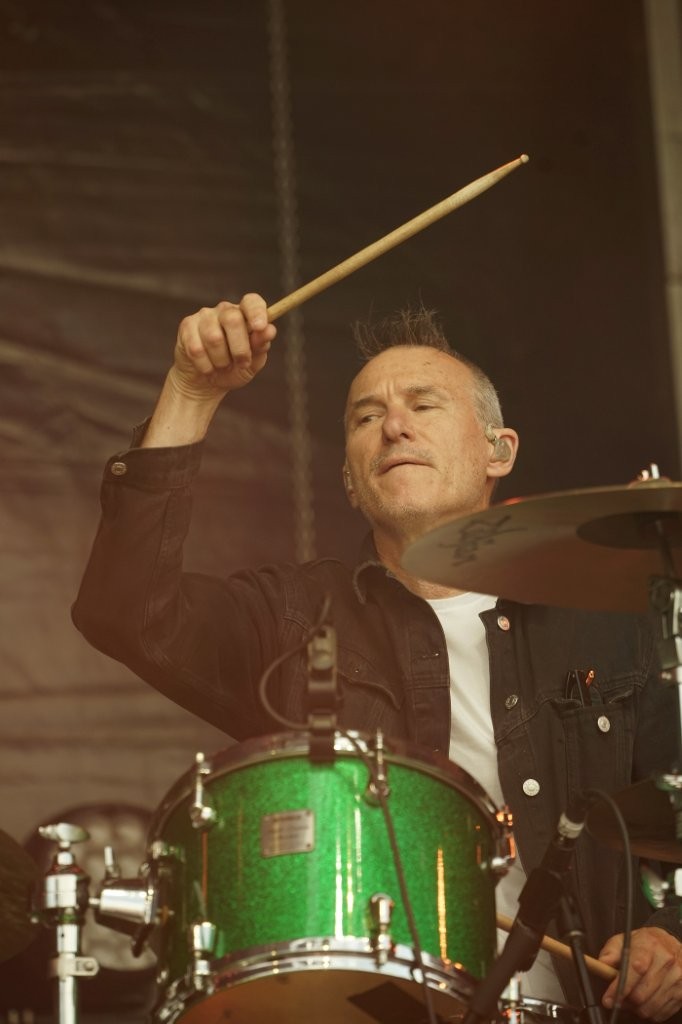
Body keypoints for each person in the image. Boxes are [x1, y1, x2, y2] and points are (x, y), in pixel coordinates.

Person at [73, 293, 682, 1022]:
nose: (393, 426)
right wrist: (190, 392)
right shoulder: (292, 618)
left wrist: (671, 935)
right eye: (366, 418)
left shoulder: (607, 621)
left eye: (423, 405)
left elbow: (671, 808)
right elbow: (124, 611)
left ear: (499, 450)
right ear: (350, 481)